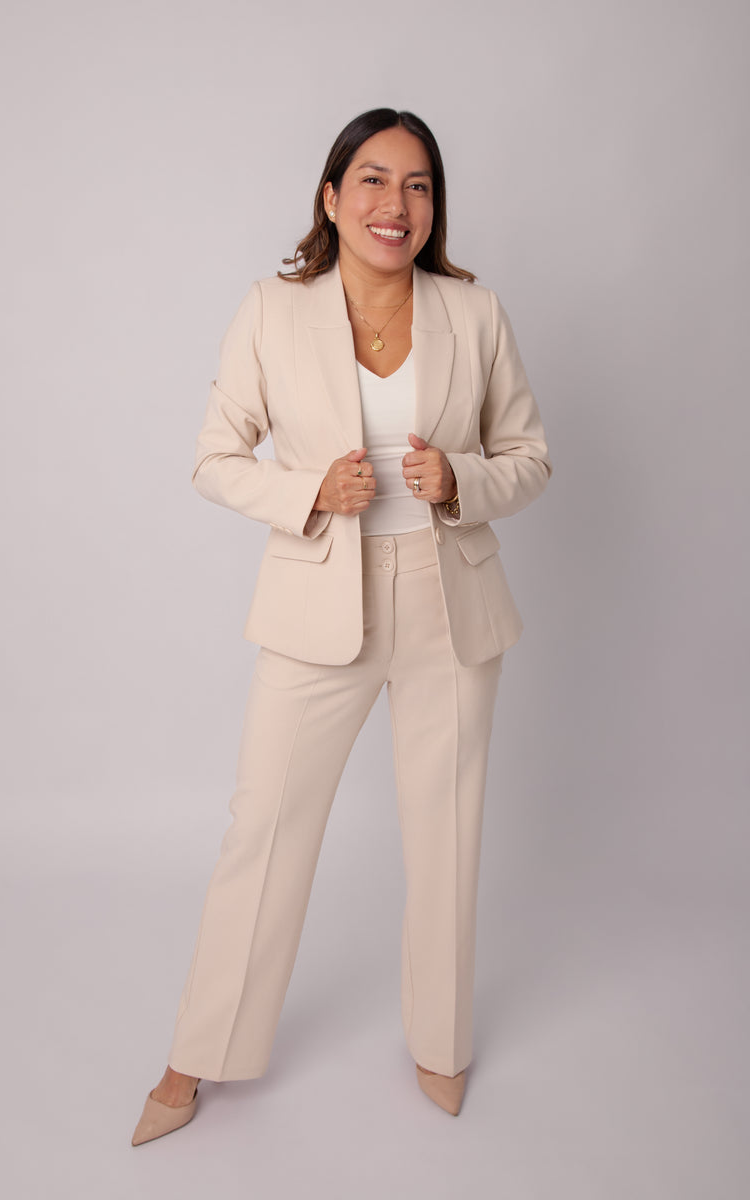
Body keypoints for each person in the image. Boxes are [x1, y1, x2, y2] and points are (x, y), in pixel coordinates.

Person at [131, 107, 551, 1145]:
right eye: (371, 179)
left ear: (433, 208)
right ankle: (199, 1051)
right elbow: (213, 457)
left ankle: (440, 1040)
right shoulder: (272, 313)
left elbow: (529, 457)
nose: (393, 204)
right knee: (265, 829)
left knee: (446, 835)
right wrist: (311, 489)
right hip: (319, 602)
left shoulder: (475, 313)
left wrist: (461, 480)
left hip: (449, 604)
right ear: (330, 196)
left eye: (417, 185)